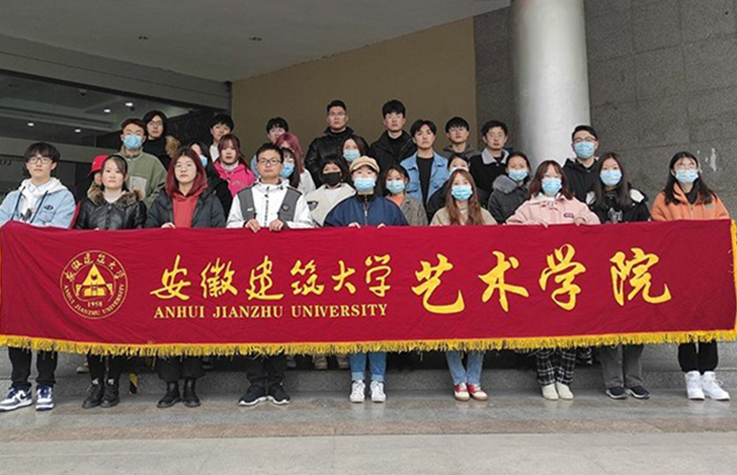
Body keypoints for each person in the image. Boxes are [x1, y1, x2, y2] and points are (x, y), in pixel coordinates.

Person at [227, 143, 313, 406]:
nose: (268, 165)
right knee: (251, 326)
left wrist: (286, 225)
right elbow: (228, 228)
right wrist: (244, 225)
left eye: (273, 161)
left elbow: (309, 228)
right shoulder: (243, 196)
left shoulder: (295, 196)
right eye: (263, 161)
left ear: (282, 165)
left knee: (279, 325)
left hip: (283, 271)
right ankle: (255, 383)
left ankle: (276, 383)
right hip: (250, 272)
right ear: (256, 165)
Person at [507, 160, 599, 400]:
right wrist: (527, 226)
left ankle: (564, 379)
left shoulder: (574, 204)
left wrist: (584, 223)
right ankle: (547, 379)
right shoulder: (529, 206)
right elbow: (508, 229)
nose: (551, 180)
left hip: (569, 280)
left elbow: (596, 225)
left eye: (556, 176)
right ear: (539, 180)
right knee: (543, 330)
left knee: (569, 331)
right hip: (540, 279)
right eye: (546, 176)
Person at [145, 147, 226, 408]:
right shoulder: (162, 199)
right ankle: (170, 386)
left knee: (194, 328)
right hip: (167, 275)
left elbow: (220, 232)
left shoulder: (210, 199)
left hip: (198, 272)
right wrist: (161, 230)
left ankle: (191, 385)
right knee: (167, 329)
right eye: (178, 165)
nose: (183, 169)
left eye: (188, 165)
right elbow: (147, 229)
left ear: (198, 171)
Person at [324, 156, 408, 403]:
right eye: (359, 173)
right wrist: (343, 235)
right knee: (357, 329)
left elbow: (407, 240)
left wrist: (389, 236)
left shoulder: (389, 208)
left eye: (369, 173)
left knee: (380, 329)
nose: (364, 177)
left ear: (376, 177)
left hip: (383, 279)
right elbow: (325, 239)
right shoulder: (341, 208)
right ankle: (358, 379)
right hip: (353, 280)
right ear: (351, 178)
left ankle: (378, 380)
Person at [0, 142, 76, 412]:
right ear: (27, 164)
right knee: (17, 328)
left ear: (53, 165)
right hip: (15, 272)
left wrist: (21, 232)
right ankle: (19, 386)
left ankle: (46, 384)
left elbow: (58, 232)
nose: (38, 163)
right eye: (33, 159)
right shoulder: (14, 196)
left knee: (46, 328)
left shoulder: (63, 196)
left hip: (46, 273)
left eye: (44, 159)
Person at [651, 152, 730, 401]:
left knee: (709, 320)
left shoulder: (710, 198)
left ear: (698, 170)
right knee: (685, 322)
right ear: (672, 171)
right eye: (681, 165)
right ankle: (691, 375)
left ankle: (709, 375)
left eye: (691, 165)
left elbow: (724, 225)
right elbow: (657, 231)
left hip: (708, 269)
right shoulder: (664, 199)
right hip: (679, 269)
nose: (686, 169)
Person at [75, 155, 146, 408]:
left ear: (125, 177)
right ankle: (96, 383)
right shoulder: (88, 204)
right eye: (108, 171)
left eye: (117, 171)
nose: (112, 175)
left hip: (122, 278)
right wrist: (88, 237)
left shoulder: (135, 205)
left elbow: (142, 239)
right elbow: (74, 236)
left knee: (115, 333)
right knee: (92, 331)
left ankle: (113, 383)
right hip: (92, 277)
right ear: (100, 176)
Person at [430, 169, 495, 400]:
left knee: (478, 332)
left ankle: (474, 380)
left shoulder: (484, 215)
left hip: (478, 282)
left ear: (472, 188)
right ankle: (459, 380)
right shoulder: (441, 215)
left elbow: (498, 242)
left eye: (465, 183)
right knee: (453, 332)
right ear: (449, 189)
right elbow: (431, 246)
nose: (461, 187)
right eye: (456, 183)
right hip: (451, 282)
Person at [118, 118, 167, 209]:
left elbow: (164, 187)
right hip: (114, 214)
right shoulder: (113, 160)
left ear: (143, 138)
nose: (133, 137)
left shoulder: (153, 162)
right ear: (122, 137)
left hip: (144, 215)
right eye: (129, 133)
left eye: (138, 134)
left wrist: (146, 205)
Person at [305, 100, 355, 186]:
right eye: (332, 114)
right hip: (324, 187)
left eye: (340, 114)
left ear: (346, 118)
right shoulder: (318, 143)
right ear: (327, 119)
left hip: (351, 186)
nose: (336, 117)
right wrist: (326, 178)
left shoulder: (356, 141)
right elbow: (310, 164)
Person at [400, 119, 449, 207]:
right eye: (420, 134)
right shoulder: (405, 165)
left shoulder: (445, 165)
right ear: (414, 139)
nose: (425, 137)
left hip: (438, 212)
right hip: (413, 212)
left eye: (428, 133)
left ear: (434, 137)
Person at [425, 153, 478, 223]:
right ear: (448, 168)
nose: (459, 168)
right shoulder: (437, 201)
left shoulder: (482, 205)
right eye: (455, 165)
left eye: (463, 165)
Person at [368, 99, 416, 172]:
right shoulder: (376, 148)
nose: (394, 120)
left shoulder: (413, 146)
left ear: (404, 120)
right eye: (390, 117)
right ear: (384, 121)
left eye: (398, 116)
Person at [305, 157, 355, 227]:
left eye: (335, 169)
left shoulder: (352, 194)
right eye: (326, 169)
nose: (331, 172)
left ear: (341, 173)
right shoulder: (310, 197)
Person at [187, 141, 232, 216]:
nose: (198, 157)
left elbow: (225, 212)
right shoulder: (180, 186)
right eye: (194, 154)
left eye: (201, 154)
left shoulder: (219, 186)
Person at [487, 152, 532, 224]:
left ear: (528, 169)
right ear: (507, 169)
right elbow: (494, 220)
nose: (517, 170)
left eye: (522, 166)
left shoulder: (534, 192)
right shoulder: (497, 195)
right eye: (513, 167)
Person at [469, 120, 510, 196]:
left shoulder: (512, 161)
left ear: (505, 139)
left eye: (500, 135)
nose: (496, 139)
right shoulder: (475, 162)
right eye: (491, 135)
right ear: (484, 138)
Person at [563, 125, 600, 202]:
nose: (583, 144)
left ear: (596, 144)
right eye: (578, 141)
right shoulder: (564, 173)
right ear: (573, 146)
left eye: (588, 140)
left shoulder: (603, 169)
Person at [276, 132, 316, 196]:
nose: (287, 155)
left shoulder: (304, 175)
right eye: (283, 150)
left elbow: (311, 196)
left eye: (290, 149)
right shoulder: (269, 173)